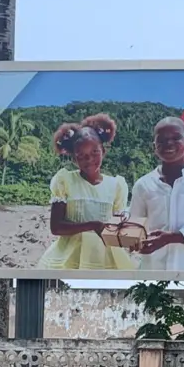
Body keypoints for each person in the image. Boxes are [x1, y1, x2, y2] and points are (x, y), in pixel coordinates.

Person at [36, 113, 136, 271]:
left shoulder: (116, 185)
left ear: (103, 150)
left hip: (106, 257)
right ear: (74, 159)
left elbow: (116, 227)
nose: (89, 159)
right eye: (81, 156)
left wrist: (131, 237)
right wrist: (92, 225)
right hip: (70, 257)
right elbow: (56, 227)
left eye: (95, 152)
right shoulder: (65, 181)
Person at [128, 117, 184, 274]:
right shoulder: (143, 185)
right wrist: (134, 242)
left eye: (176, 138)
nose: (169, 144)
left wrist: (170, 238)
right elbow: (135, 226)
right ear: (154, 147)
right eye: (162, 140)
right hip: (152, 274)